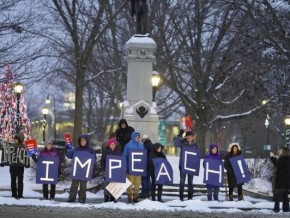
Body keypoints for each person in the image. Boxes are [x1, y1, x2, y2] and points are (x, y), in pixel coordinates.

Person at [66, 134, 95, 204]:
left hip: (85, 170)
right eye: (81, 140)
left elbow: (94, 159)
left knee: (83, 186)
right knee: (74, 185)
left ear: (87, 141)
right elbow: (70, 156)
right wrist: (68, 149)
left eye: (84, 140)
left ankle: (82, 199)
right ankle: (71, 198)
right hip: (76, 170)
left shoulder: (91, 150)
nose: (82, 141)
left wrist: (91, 166)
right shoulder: (76, 149)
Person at [174, 130, 197, 201]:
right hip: (183, 165)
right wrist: (179, 135)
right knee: (182, 181)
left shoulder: (194, 144)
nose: (190, 138)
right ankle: (181, 196)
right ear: (186, 137)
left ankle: (190, 197)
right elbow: (176, 143)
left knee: (190, 181)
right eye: (189, 136)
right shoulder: (182, 143)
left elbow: (196, 154)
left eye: (191, 136)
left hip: (191, 165)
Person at [123, 131, 145, 203]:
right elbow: (124, 156)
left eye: (139, 137)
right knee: (130, 183)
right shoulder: (128, 145)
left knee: (137, 183)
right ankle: (129, 196)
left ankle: (136, 196)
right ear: (133, 137)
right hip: (130, 168)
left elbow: (143, 156)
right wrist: (125, 167)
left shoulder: (141, 145)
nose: (138, 138)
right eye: (136, 136)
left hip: (138, 168)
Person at [100, 138, 121, 202]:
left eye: (113, 144)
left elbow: (121, 161)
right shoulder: (106, 152)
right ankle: (106, 197)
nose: (112, 145)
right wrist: (103, 169)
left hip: (115, 170)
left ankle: (112, 197)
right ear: (109, 145)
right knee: (107, 184)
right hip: (107, 170)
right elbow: (102, 161)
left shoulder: (118, 152)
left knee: (114, 184)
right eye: (111, 144)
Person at [270, 147, 290, 213]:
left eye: (280, 150)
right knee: (284, 195)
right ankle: (286, 209)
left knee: (277, 195)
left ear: (284, 152)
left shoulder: (284, 159)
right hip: (285, 180)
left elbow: (277, 164)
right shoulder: (286, 159)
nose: (279, 151)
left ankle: (277, 208)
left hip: (281, 180)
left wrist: (272, 157)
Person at [9, 133, 29, 199]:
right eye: (15, 139)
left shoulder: (24, 148)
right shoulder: (12, 146)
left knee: (20, 181)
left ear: (20, 140)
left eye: (16, 139)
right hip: (13, 166)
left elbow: (26, 156)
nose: (15, 140)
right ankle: (13, 194)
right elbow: (7, 154)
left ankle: (20, 194)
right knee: (13, 181)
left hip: (20, 167)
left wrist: (27, 163)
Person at [140, 134, 152, 198]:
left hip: (145, 164)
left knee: (144, 179)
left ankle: (144, 193)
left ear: (144, 140)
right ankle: (148, 192)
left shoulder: (145, 146)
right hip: (150, 165)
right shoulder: (151, 145)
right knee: (148, 179)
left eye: (142, 140)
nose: (142, 141)